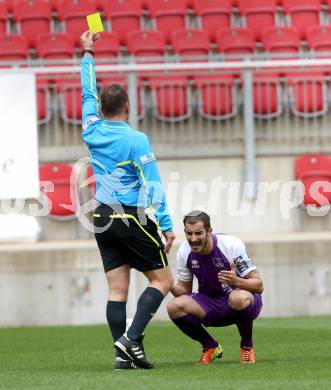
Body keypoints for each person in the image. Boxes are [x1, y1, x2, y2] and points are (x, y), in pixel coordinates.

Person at [79, 31, 175, 370]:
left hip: (102, 218)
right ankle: (130, 339)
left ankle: (124, 358)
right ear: (128, 107)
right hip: (130, 216)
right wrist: (165, 224)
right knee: (163, 280)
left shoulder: (90, 129)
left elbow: (87, 91)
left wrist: (88, 51)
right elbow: (153, 183)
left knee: (117, 289)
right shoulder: (136, 140)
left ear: (101, 109)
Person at [167, 210, 263, 365]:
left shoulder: (231, 245)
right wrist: (168, 283)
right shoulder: (184, 251)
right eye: (189, 234)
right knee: (173, 307)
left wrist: (236, 281)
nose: (193, 239)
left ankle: (247, 346)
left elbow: (258, 285)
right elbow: (184, 290)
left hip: (240, 300)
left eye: (198, 233)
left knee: (238, 298)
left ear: (209, 231)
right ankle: (210, 346)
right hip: (210, 303)